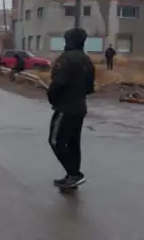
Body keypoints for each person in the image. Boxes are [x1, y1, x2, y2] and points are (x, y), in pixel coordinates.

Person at [46, 27, 96, 190]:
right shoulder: (87, 60)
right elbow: (90, 87)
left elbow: (58, 84)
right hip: (80, 106)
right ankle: (72, 176)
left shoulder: (65, 58)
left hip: (65, 107)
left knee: (55, 141)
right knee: (73, 142)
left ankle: (74, 174)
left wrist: (53, 99)